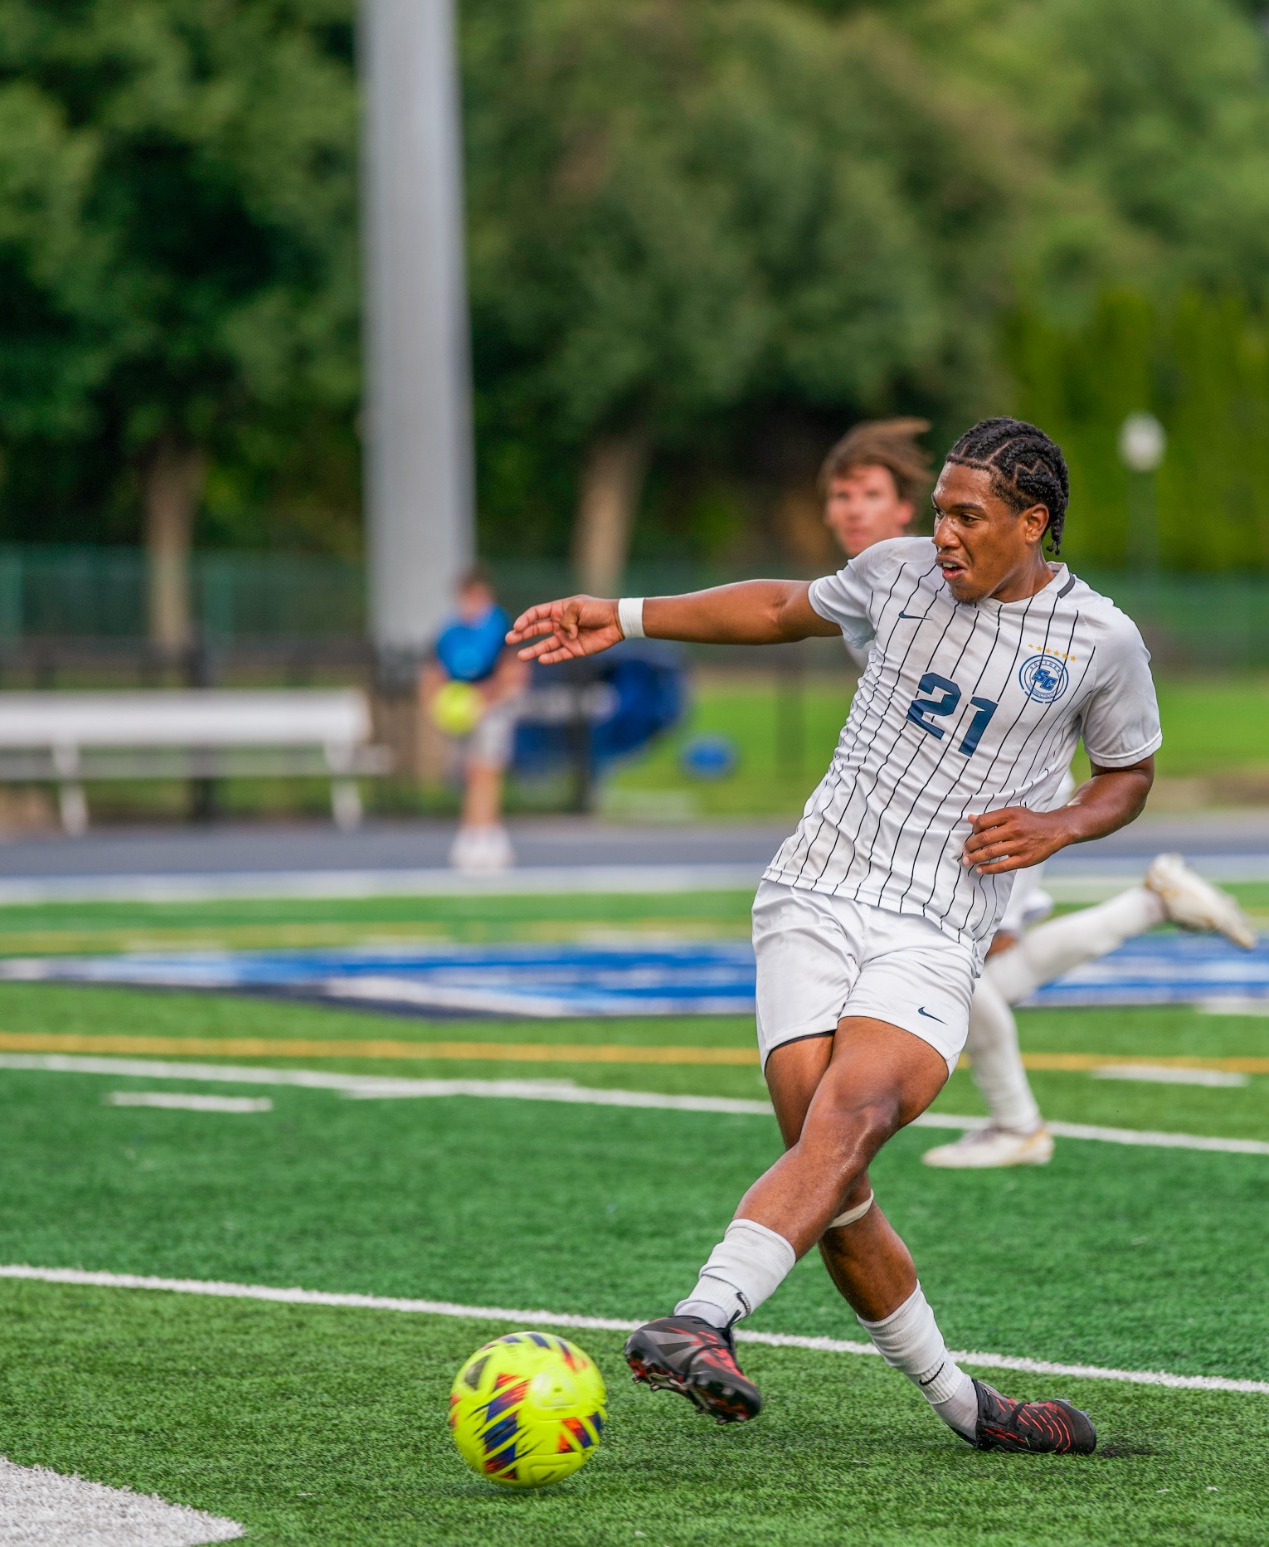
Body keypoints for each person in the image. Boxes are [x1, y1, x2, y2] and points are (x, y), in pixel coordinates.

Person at [509, 417, 1158, 1453]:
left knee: (848, 1116)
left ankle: (701, 1316)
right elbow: (776, 605)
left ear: (1032, 523)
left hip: (937, 924)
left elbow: (1127, 776)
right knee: (833, 1171)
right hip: (811, 891)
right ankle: (969, 1409)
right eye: (937, 510)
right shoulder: (896, 572)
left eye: (966, 516)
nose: (939, 533)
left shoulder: (1101, 639)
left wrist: (1060, 821)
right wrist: (621, 614)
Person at [818, 419, 1257, 1170]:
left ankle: (1019, 1121)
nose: (852, 510)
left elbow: (1116, 753)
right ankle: (1149, 905)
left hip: (994, 800)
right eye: (840, 495)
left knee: (954, 962)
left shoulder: (937, 569)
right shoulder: (886, 577)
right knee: (985, 968)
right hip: (937, 804)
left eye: (871, 494)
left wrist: (1054, 817)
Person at [426, 569, 529, 874]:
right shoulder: (449, 632)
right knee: (472, 773)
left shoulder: (500, 629)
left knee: (486, 771)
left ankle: (482, 837)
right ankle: (479, 833)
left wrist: (481, 698)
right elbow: (434, 674)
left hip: (494, 708)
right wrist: (441, 704)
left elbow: (514, 674)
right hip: (463, 713)